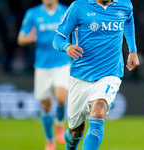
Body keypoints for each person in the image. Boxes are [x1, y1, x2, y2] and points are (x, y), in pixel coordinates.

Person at [53, 0, 139, 149]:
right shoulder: (78, 7)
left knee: (98, 112)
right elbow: (57, 39)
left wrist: (133, 50)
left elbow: (129, 20)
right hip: (80, 76)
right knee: (75, 132)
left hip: (110, 74)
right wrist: (66, 47)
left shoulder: (124, 5)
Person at [17, 0, 71, 150]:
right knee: (46, 105)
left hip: (62, 62)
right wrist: (28, 39)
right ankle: (50, 140)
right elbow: (20, 38)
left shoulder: (67, 11)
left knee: (61, 98)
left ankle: (59, 123)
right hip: (42, 65)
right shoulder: (32, 14)